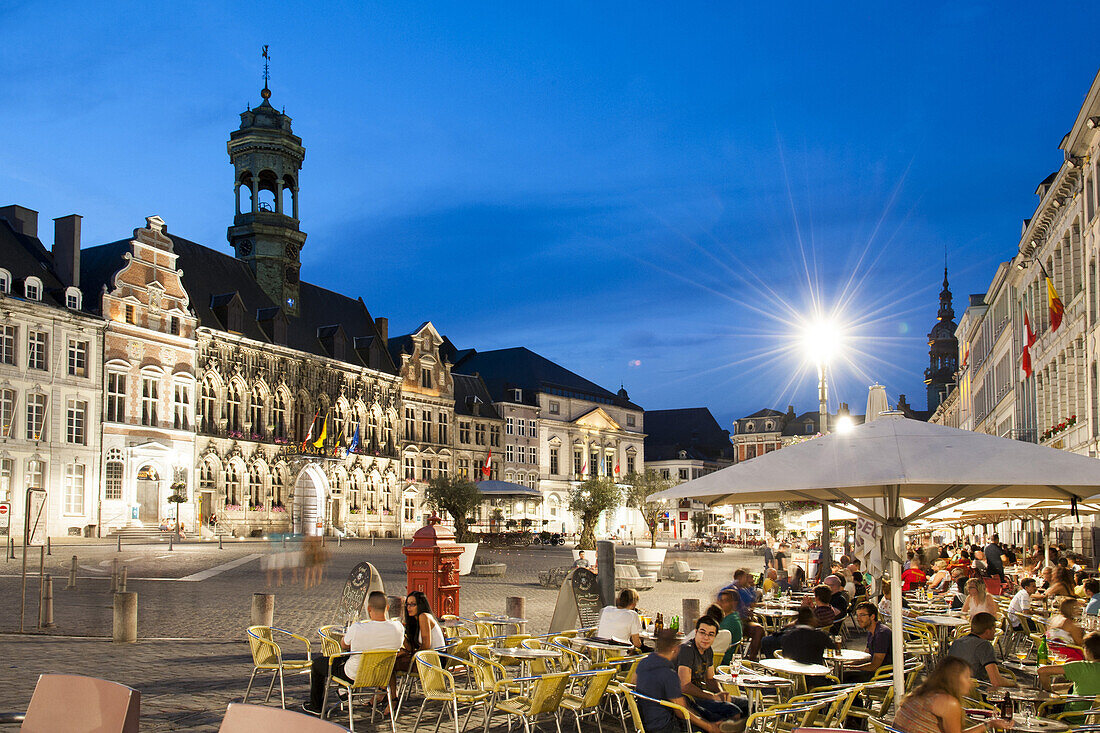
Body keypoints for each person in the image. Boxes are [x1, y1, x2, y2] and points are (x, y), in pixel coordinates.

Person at [304, 591, 404, 715]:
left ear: (369, 609)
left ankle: (316, 706)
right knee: (348, 659)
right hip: (381, 675)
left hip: (354, 675)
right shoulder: (398, 628)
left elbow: (344, 645)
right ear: (387, 608)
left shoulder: (358, 628)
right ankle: (343, 691)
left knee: (319, 663)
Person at [634, 630, 742, 733]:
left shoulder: (644, 663)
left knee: (693, 706)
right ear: (675, 649)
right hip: (665, 726)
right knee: (704, 725)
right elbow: (681, 711)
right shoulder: (669, 674)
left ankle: (715, 721)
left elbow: (633, 683)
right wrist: (709, 727)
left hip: (645, 719)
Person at [894, 656, 1012, 733]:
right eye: (966, 677)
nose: (970, 682)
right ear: (954, 679)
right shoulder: (948, 702)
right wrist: (988, 725)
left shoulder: (922, 692)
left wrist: (988, 724)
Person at [677, 616, 748, 726]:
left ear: (715, 636)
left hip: (702, 694)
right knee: (733, 711)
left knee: (749, 705)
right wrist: (712, 697)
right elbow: (684, 686)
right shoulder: (687, 650)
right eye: (702, 633)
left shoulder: (708, 651)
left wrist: (720, 693)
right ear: (696, 632)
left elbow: (710, 679)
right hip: (687, 698)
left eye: (710, 634)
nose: (706, 638)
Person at [946, 612, 1014, 687]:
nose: (995, 631)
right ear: (988, 631)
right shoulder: (984, 645)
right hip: (973, 692)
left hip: (952, 688)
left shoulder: (957, 642)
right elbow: (996, 681)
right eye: (994, 628)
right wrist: (1014, 684)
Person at [1039, 631, 1100, 712]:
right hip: (1094, 720)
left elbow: (1042, 671)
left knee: (1038, 699)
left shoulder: (1081, 667)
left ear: (1087, 651)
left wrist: (1049, 691)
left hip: (1072, 715)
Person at [396, 591, 446, 680]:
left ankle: (387, 692)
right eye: (407, 605)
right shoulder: (415, 621)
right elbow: (411, 647)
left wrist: (409, 654)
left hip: (435, 661)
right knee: (392, 662)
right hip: (426, 657)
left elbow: (426, 645)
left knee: (390, 664)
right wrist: (400, 633)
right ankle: (387, 692)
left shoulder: (424, 616)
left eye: (413, 604)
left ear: (420, 605)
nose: (409, 608)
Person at [847, 602, 891, 682]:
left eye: (862, 615)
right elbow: (866, 656)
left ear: (872, 616)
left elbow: (874, 666)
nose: (858, 619)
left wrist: (852, 667)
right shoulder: (871, 631)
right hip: (877, 672)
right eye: (857, 615)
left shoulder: (881, 634)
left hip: (884, 675)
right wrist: (847, 664)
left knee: (845, 676)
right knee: (843, 672)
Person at [715, 590, 744, 664]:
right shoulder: (732, 616)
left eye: (725, 601)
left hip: (721, 658)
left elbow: (715, 641)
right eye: (720, 600)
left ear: (733, 603)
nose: (720, 604)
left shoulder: (730, 621)